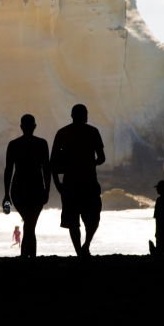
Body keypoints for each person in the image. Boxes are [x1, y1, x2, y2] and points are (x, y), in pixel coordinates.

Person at [50, 104, 105, 257]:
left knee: (73, 221)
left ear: (72, 115)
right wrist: (90, 163)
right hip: (89, 182)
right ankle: (85, 247)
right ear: (85, 115)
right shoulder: (93, 132)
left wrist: (58, 184)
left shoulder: (63, 133)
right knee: (93, 218)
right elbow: (101, 158)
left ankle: (80, 251)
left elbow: (53, 162)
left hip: (70, 184)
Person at [3, 114, 50, 257]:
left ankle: (26, 257)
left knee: (29, 225)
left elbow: (8, 170)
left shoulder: (14, 145)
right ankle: (29, 258)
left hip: (18, 189)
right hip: (36, 188)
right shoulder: (42, 144)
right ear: (34, 126)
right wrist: (47, 190)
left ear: (21, 127)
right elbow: (47, 169)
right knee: (30, 225)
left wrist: (6, 194)